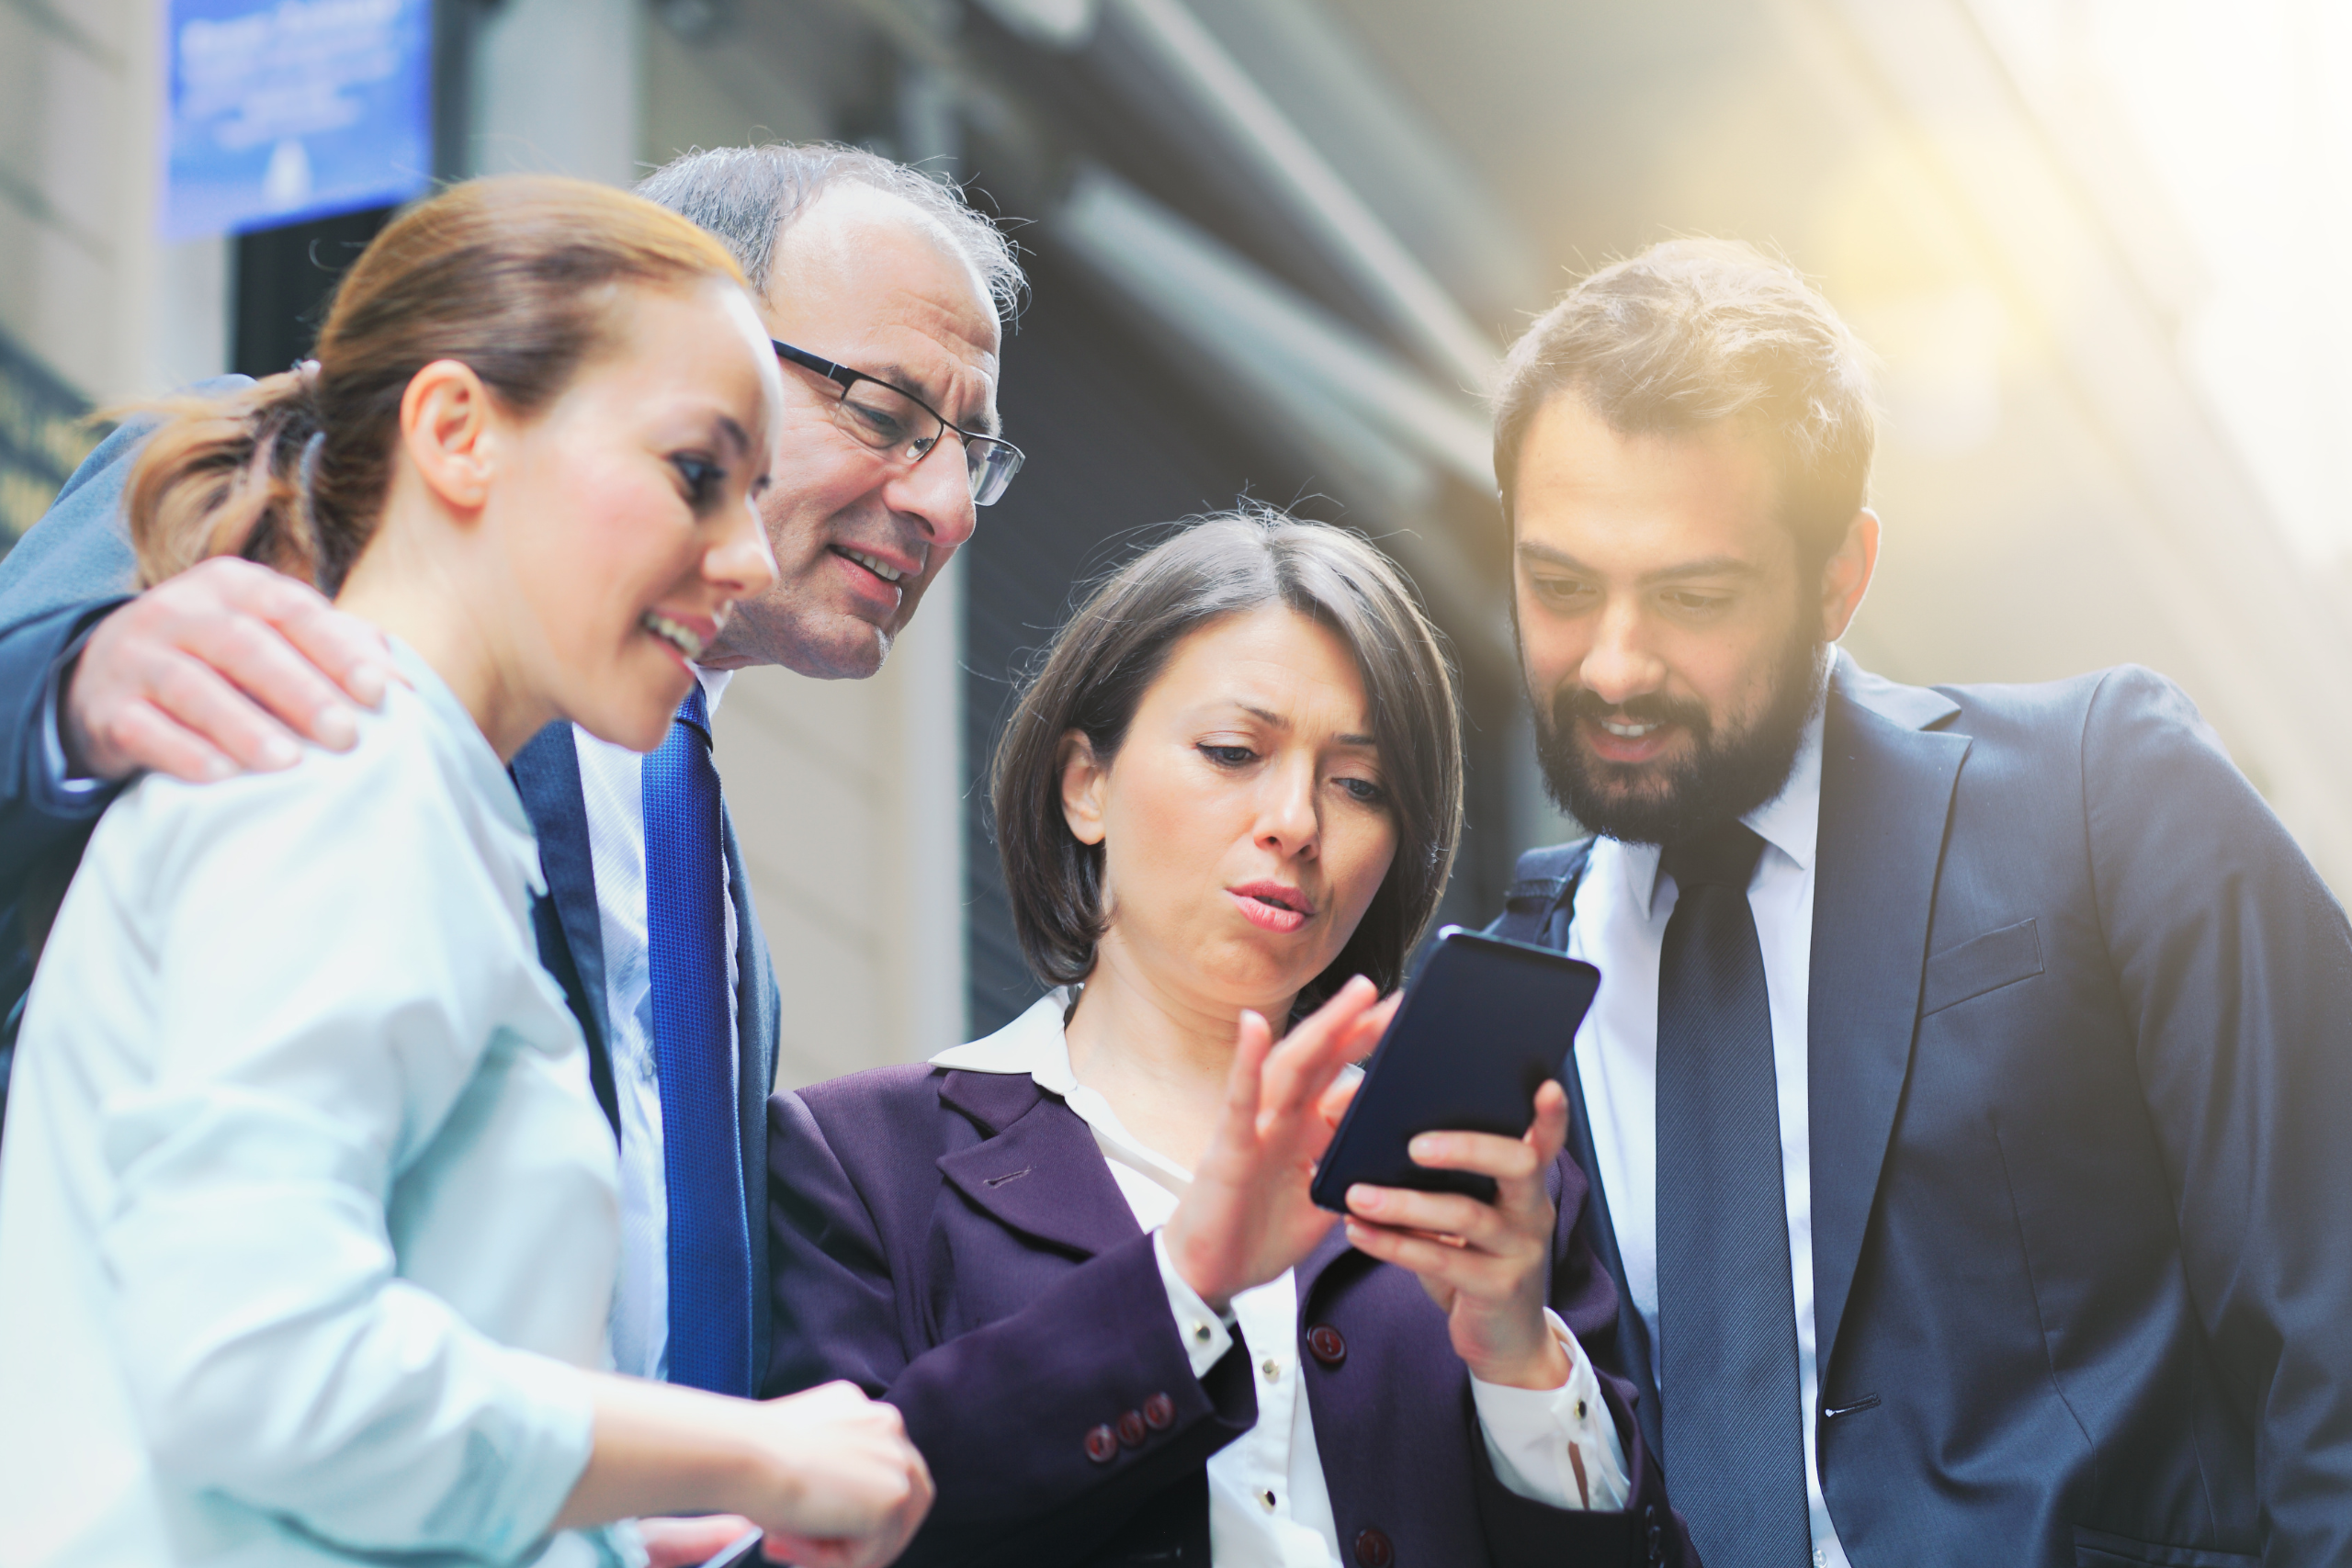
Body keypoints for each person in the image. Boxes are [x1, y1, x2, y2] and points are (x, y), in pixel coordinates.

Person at [0, 144, 1023, 1496]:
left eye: (975, 452)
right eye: (890, 409)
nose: (946, 504)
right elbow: (263, 1361)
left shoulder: (701, 882)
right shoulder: (326, 714)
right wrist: (69, 691)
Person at [1484, 238, 2352, 1567]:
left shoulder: (2106, 787)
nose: (1613, 663)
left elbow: (2332, 1315)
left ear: (1842, 575)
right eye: (1558, 586)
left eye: (1693, 595)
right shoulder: (1511, 979)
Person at [764, 511, 1692, 1568]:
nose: (1296, 820)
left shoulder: (1482, 1187)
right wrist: (1181, 1282)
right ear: (1086, 785)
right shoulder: (859, 1164)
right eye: (1233, 752)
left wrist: (1523, 1361)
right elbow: (821, 1528)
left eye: (1358, 784)